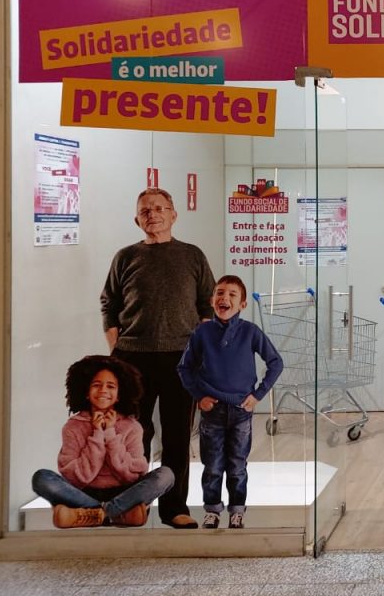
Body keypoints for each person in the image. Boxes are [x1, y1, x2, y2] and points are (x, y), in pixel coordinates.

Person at [100, 187, 215, 529]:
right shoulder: (125, 257)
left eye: (159, 208)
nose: (153, 214)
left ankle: (174, 508)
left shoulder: (192, 255)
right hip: (133, 358)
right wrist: (116, 346)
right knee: (134, 434)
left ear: (173, 215)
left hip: (182, 358)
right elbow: (109, 303)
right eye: (145, 210)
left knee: (177, 435)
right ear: (137, 219)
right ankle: (133, 505)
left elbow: (207, 304)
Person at [178, 275, 284, 530]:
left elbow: (275, 363)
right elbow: (184, 368)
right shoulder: (202, 332)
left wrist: (258, 395)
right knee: (212, 466)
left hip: (241, 412)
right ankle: (212, 510)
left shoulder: (251, 332)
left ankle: (237, 510)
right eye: (220, 293)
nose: (224, 298)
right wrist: (199, 396)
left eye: (232, 295)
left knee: (237, 466)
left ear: (243, 304)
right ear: (212, 300)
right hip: (212, 412)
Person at [32, 355, 175, 529]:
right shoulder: (72, 426)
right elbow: (76, 477)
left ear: (119, 395)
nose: (103, 390)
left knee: (166, 475)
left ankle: (95, 514)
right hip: (83, 493)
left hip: (125, 493)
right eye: (96, 385)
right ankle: (118, 514)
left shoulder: (132, 426)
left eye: (111, 386)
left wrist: (110, 433)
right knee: (41, 478)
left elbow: (132, 475)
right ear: (86, 392)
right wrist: (97, 433)